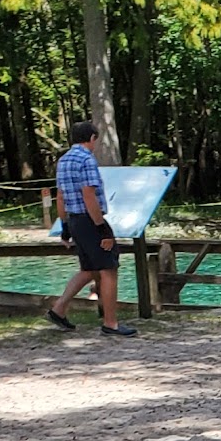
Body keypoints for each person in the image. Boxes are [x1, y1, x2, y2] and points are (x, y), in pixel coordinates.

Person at [47, 119, 136, 336]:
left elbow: (60, 197)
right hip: (90, 219)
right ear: (92, 138)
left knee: (89, 269)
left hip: (74, 220)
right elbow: (89, 194)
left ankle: (58, 309)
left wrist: (65, 225)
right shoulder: (87, 160)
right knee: (109, 268)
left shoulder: (64, 160)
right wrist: (102, 227)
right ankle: (111, 322)